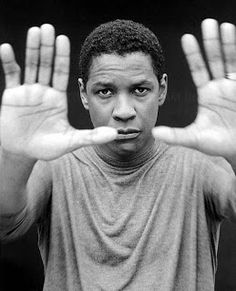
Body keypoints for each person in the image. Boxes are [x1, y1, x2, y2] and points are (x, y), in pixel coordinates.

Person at [0, 18, 236, 291]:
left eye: (140, 90)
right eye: (105, 91)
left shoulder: (200, 164)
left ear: (162, 89)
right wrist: (15, 156)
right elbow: (6, 224)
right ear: (83, 94)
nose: (124, 111)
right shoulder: (54, 165)